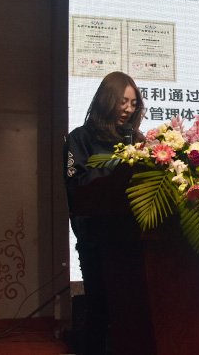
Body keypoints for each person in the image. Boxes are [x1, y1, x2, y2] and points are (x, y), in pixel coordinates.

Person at [64, 71, 155, 354]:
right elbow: (77, 185)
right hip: (96, 240)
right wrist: (118, 172)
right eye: (122, 101)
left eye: (133, 103)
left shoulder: (138, 140)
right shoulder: (80, 138)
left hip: (135, 240)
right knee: (100, 308)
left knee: (132, 311)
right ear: (107, 99)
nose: (128, 109)